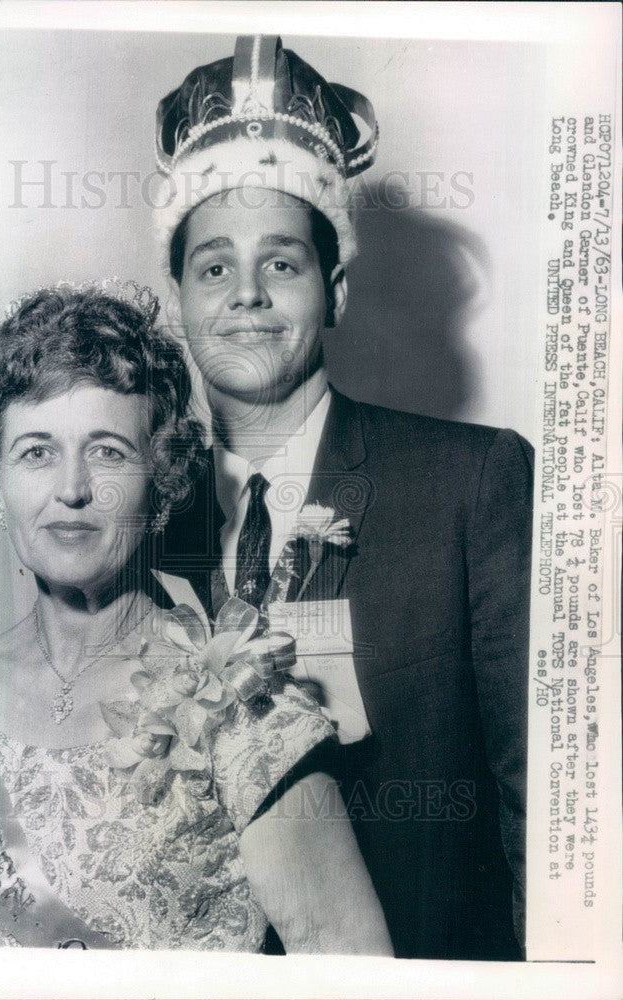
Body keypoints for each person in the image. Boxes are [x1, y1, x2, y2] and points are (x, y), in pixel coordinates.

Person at [154, 36, 533, 959]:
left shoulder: (471, 483)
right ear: (179, 301)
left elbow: (545, 798)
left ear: (336, 289)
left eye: (280, 263)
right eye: (213, 267)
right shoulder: (139, 518)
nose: (246, 295)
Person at [0, 281, 392, 953]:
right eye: (36, 451)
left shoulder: (243, 709)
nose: (72, 488)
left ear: (162, 478)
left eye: (108, 452)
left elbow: (352, 969)